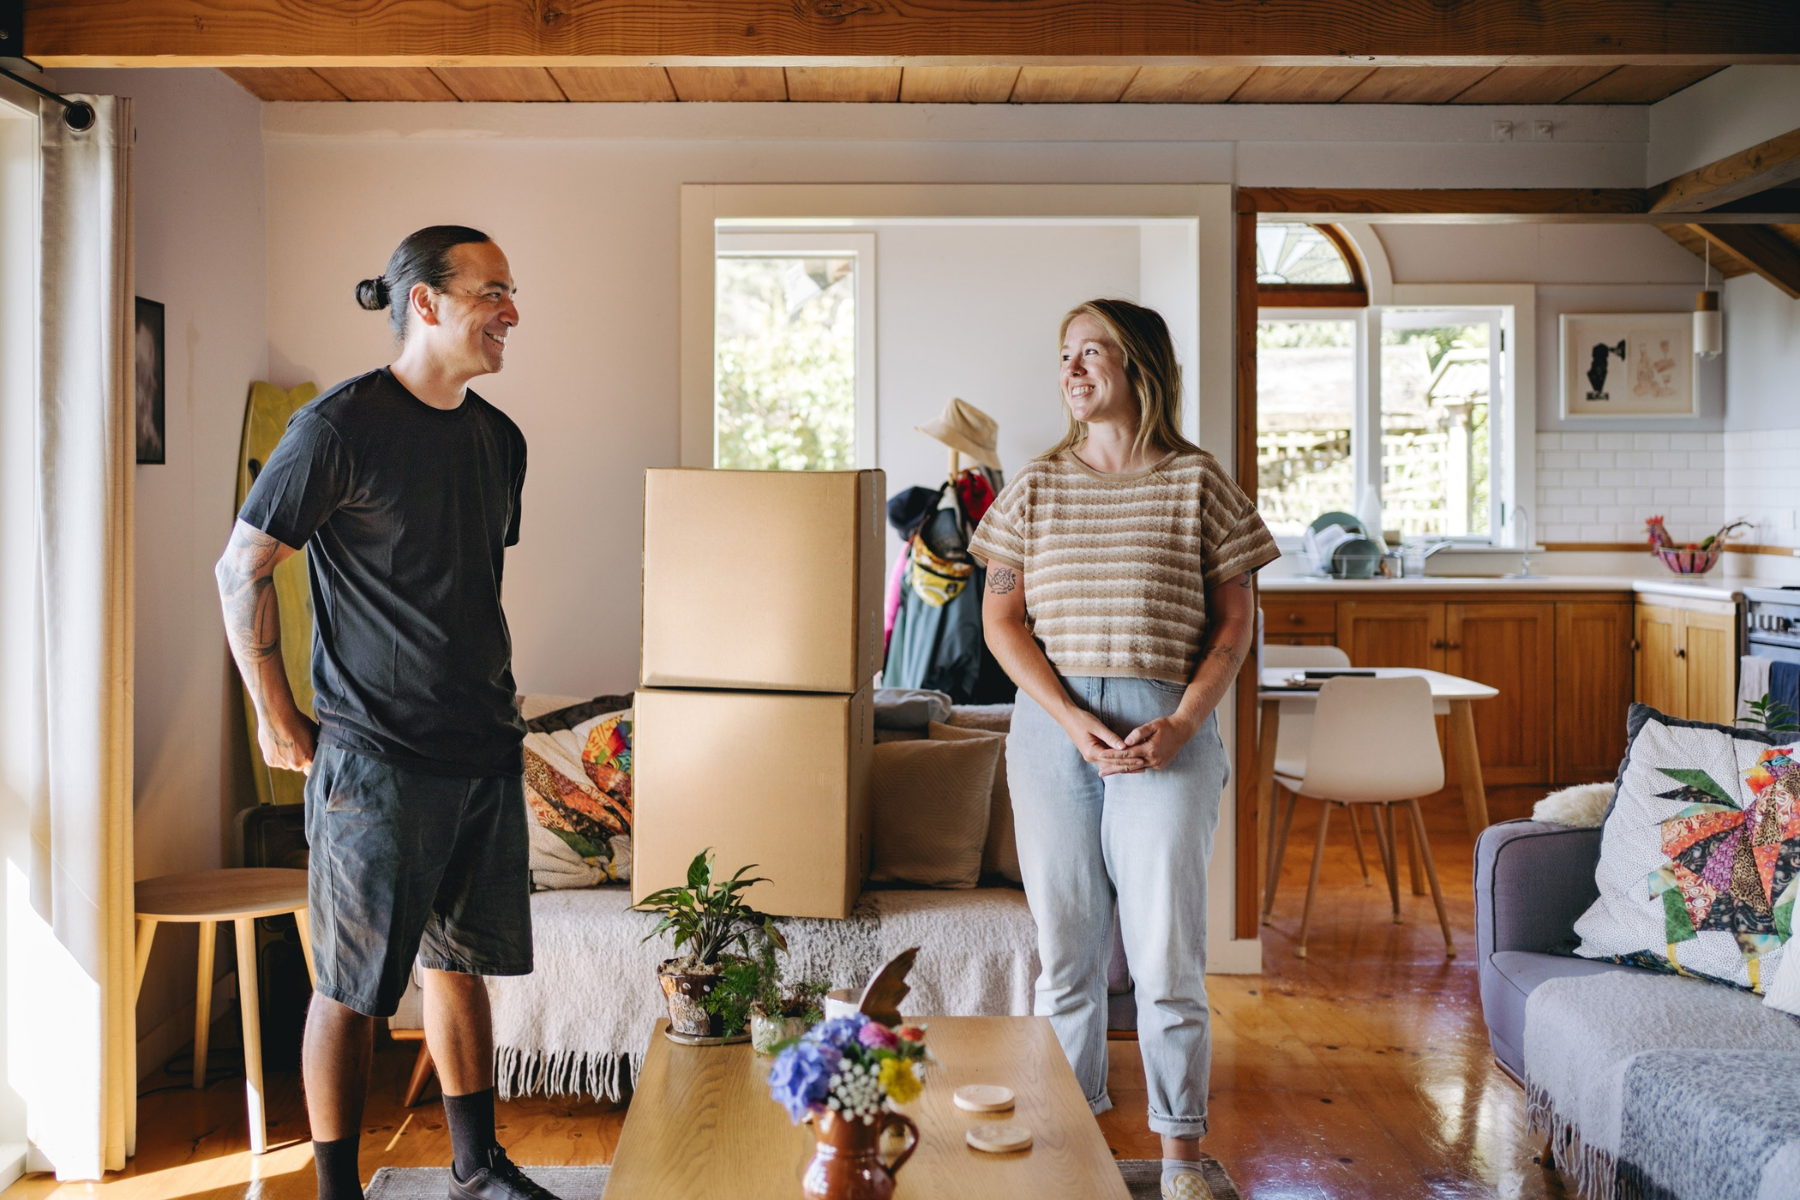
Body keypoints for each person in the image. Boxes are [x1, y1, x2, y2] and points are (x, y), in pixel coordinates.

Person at [216, 226, 556, 1200]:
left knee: (459, 967)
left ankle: (476, 1166)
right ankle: (336, 1191)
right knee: (352, 988)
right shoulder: (338, 428)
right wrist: (276, 715)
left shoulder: (500, 440)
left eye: (512, 292)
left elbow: (458, 590)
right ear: (425, 302)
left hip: (482, 748)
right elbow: (241, 569)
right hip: (375, 758)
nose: (511, 312)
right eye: (492, 292)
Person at [970, 299, 1278, 1200]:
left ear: (1138, 364)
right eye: (1064, 354)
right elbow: (1000, 620)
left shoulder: (1199, 483)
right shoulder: (1035, 486)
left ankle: (1180, 1161)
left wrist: (1180, 723)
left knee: (1165, 959)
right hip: (1052, 732)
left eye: (1090, 352)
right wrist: (1070, 719)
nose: (1070, 370)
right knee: (1066, 957)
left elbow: (1235, 625)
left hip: (1166, 731)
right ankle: (1069, 1155)